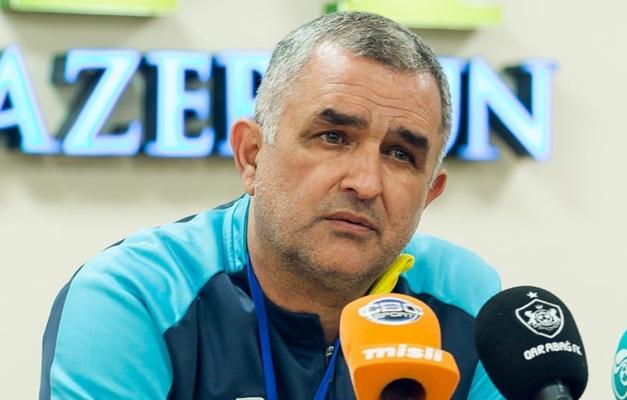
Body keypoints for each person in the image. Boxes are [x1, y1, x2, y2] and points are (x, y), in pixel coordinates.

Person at [40, 11, 502, 400]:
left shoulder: (467, 301)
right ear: (252, 155)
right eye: (333, 137)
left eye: (401, 154)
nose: (365, 184)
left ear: (429, 193)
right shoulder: (135, 296)